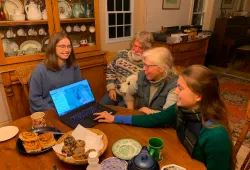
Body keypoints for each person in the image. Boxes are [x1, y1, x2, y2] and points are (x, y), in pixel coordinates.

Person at [94, 65, 236, 170]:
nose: (175, 91)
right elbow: (152, 119)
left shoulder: (215, 135)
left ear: (198, 95)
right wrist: (115, 119)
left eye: (180, 88)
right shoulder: (181, 109)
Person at [29, 32, 82, 113]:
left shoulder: (74, 66)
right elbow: (34, 99)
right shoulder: (40, 70)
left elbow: (78, 89)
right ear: (53, 48)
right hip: (49, 111)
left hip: (71, 108)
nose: (67, 50)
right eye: (62, 46)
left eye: (69, 46)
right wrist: (55, 111)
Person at [99, 31, 154, 107]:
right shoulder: (122, 54)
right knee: (99, 107)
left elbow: (146, 88)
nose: (136, 50)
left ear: (148, 49)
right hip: (115, 91)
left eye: (140, 48)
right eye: (135, 46)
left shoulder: (148, 64)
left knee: (119, 115)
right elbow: (110, 70)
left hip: (132, 98)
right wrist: (111, 88)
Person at [124, 47, 178, 114]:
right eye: (144, 64)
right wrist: (130, 112)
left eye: (147, 66)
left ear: (161, 68)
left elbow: (167, 114)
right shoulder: (143, 76)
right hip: (142, 121)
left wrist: (149, 111)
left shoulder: (174, 85)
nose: (143, 69)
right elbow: (129, 92)